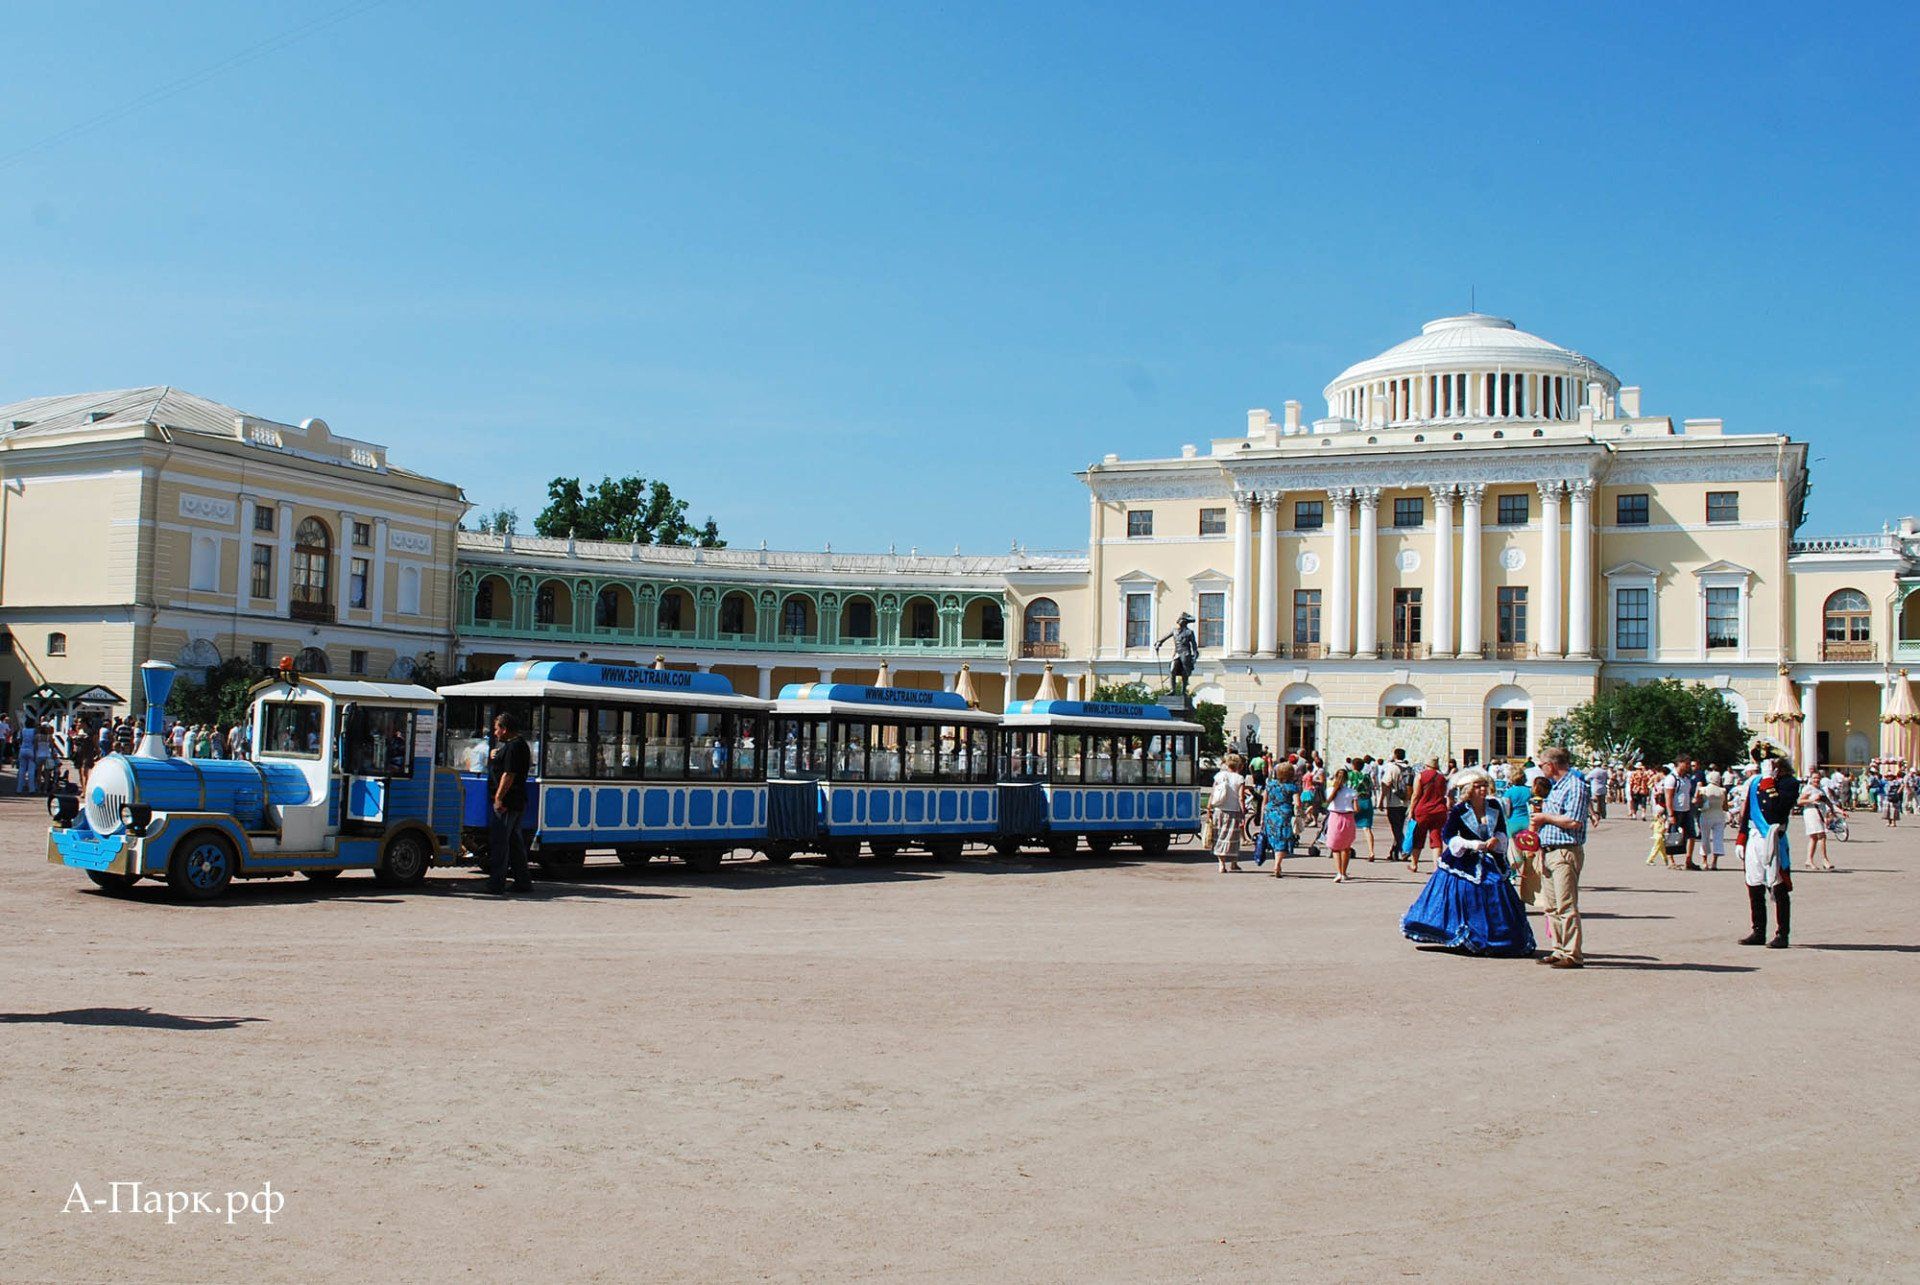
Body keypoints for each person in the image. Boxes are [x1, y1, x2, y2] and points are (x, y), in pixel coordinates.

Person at [1400, 768, 1536, 956]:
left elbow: (1501, 829)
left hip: (1490, 858)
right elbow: (1447, 835)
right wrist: (1471, 844)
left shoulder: (1494, 807)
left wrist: (1497, 838)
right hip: (1464, 859)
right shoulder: (1459, 810)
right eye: (1478, 786)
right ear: (1469, 789)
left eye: (1484, 786)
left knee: (1496, 887)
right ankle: (1465, 934)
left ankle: (1499, 938)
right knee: (1464, 895)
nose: (1482, 789)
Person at [1531, 746, 1590, 969]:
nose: (1540, 768)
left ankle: (1573, 954)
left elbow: (1574, 821)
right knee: (1551, 905)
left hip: (1565, 850)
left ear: (1552, 765)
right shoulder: (1556, 787)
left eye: (1541, 764)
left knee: (1566, 905)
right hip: (1548, 850)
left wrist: (1545, 817)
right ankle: (1558, 948)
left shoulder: (1574, 786)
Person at [1738, 749, 1797, 948]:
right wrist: (1741, 838)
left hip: (1773, 836)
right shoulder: (1755, 782)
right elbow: (1747, 812)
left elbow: (1777, 809)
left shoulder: (1789, 783)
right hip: (1754, 836)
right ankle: (1758, 930)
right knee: (1753, 884)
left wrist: (1769, 783)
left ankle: (1782, 934)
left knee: (1778, 885)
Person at [486, 712, 536, 895]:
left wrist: (499, 798)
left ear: (505, 729)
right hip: (516, 801)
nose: (495, 733)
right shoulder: (514, 746)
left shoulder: (515, 747)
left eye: (496, 729)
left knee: (500, 843)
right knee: (515, 843)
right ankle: (523, 881)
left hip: (508, 802)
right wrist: (495, 755)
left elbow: (508, 775)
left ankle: (496, 883)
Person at [1406, 756, 1448, 875]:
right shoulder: (1442, 777)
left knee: (1418, 836)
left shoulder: (1420, 776)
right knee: (1436, 838)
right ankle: (1436, 866)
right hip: (1439, 810)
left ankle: (1414, 864)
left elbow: (1416, 795)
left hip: (1423, 810)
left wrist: (1411, 810)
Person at [1208, 753, 1247, 873]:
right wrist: (1243, 810)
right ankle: (1234, 863)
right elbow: (1241, 797)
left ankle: (1221, 864)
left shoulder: (1219, 775)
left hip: (1219, 810)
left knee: (1220, 836)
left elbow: (1213, 792)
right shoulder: (1239, 778)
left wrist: (1209, 807)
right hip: (1233, 811)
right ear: (1239, 765)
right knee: (1233, 837)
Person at [1263, 762, 1299, 878]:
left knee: (1274, 838)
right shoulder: (1292, 787)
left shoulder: (1270, 785)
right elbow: (1297, 803)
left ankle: (1276, 863)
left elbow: (1265, 801)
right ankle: (1277, 864)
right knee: (1283, 839)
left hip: (1270, 813)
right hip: (1285, 814)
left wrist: (1261, 817)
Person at [1324, 764, 1359, 883]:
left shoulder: (1329, 790)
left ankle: (1338, 872)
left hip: (1334, 817)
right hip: (1348, 818)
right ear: (1347, 779)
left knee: (1335, 848)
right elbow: (1356, 809)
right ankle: (1344, 872)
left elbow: (1326, 803)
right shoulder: (1352, 792)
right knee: (1346, 848)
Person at [1799, 777, 1837, 871]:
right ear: (1811, 779)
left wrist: (1837, 811)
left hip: (1819, 814)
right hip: (1811, 813)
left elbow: (1829, 803)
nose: (1816, 780)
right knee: (1822, 836)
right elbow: (1800, 801)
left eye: (1818, 778)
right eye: (1814, 778)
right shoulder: (1808, 788)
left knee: (1814, 838)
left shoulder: (1820, 790)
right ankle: (1825, 860)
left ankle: (1809, 860)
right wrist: (1812, 800)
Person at [1382, 749, 1410, 860]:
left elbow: (1386, 783)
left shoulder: (1392, 768)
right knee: (1399, 827)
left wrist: (1381, 800)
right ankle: (1394, 851)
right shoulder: (1409, 768)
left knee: (1396, 828)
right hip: (1405, 802)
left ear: (1395, 755)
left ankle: (1404, 849)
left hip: (1393, 802)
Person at [1700, 770, 1730, 870]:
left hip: (1706, 816)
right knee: (1718, 839)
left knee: (1705, 838)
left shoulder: (1703, 789)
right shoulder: (1723, 790)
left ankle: (1704, 862)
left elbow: (1698, 803)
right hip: (1719, 816)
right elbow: (1725, 807)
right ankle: (1714, 862)